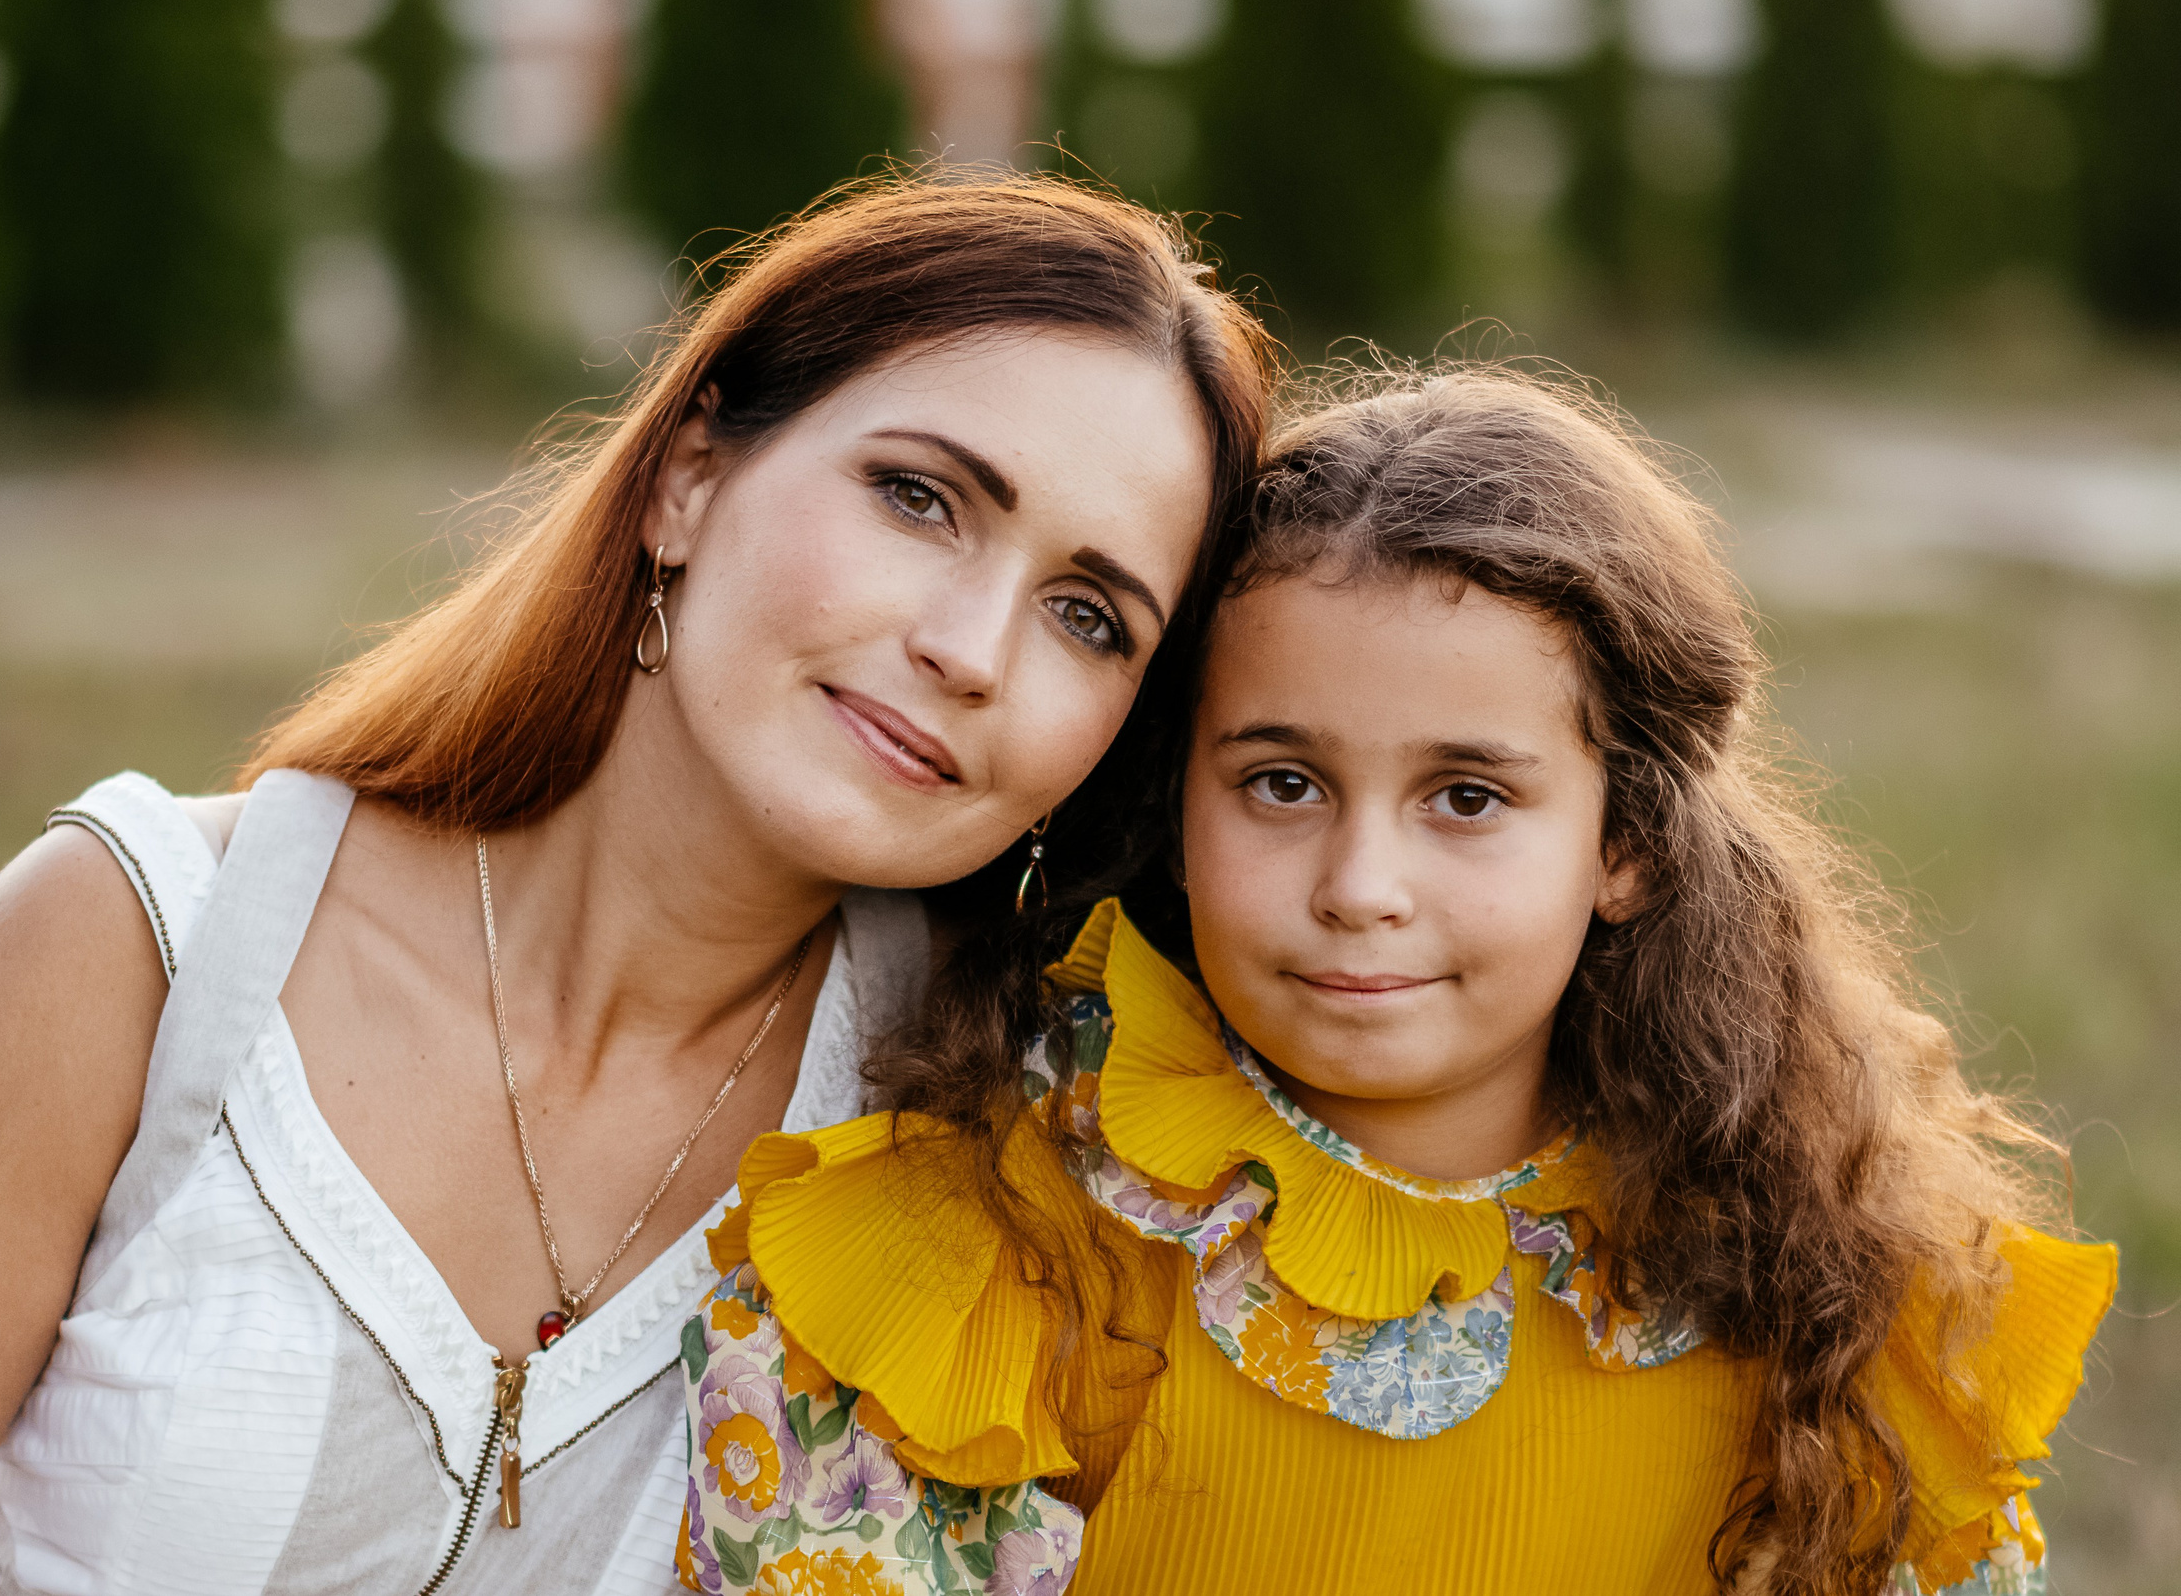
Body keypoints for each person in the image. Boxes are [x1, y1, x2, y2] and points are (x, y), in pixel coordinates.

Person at [0, 176, 1275, 1596]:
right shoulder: (139, 948)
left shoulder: (1005, 1144)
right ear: (685, 477)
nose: (969, 649)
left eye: (1091, 617)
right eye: (920, 497)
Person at [675, 365, 2118, 1596]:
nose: (1361, 883)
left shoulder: (1818, 1291)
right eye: (1283, 781)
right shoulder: (1001, 1245)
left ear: (1624, 840)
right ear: (1175, 802)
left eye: (1469, 798)